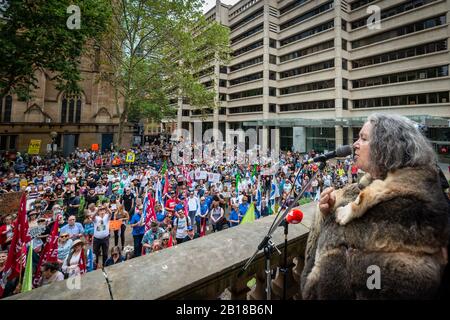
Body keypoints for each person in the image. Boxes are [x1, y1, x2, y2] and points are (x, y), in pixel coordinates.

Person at [301, 113, 449, 299]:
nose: (354, 144)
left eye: (363, 138)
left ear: (387, 148)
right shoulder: (360, 191)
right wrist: (327, 212)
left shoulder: (409, 208)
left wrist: (332, 224)